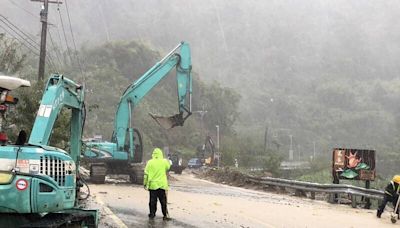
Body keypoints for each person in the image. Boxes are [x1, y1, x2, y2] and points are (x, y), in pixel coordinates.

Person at [143, 148, 171, 220]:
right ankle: (165, 214)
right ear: (161, 154)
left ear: (153, 154)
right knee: (163, 201)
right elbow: (168, 167)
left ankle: (152, 214)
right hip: (162, 185)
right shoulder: (164, 162)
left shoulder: (150, 162)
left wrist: (145, 183)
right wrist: (167, 160)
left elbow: (146, 174)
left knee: (152, 201)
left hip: (153, 185)